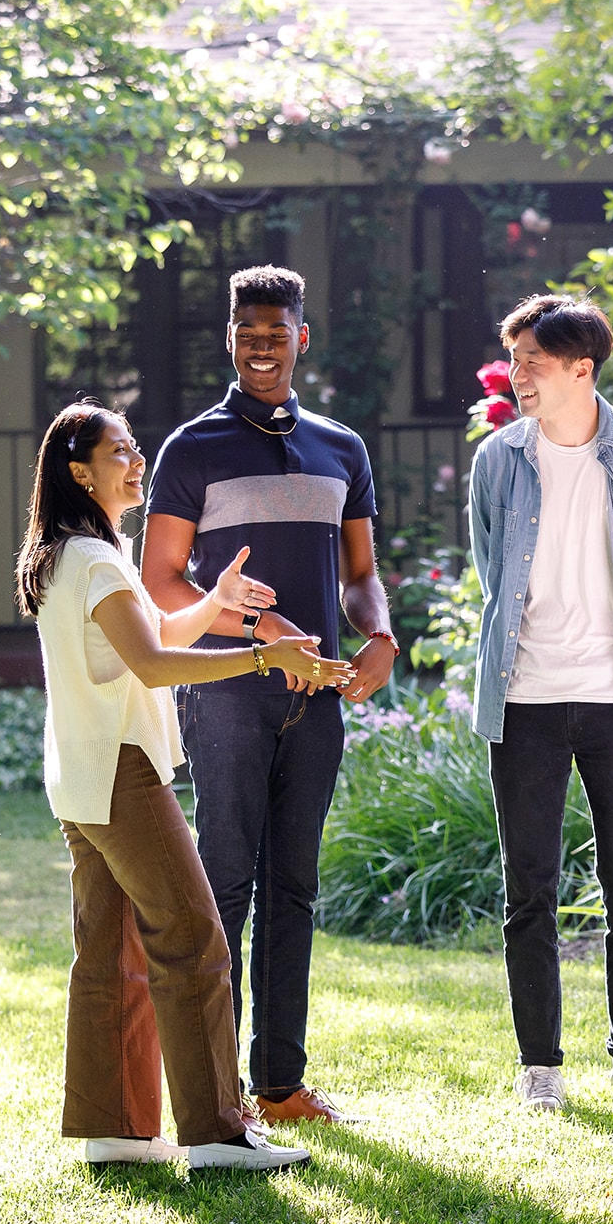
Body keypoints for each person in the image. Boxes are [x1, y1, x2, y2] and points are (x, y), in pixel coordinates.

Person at [17, 400, 354, 1171]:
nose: (136, 461)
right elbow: (156, 665)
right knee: (195, 936)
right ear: (80, 471)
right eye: (120, 451)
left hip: (80, 773)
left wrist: (215, 606)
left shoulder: (74, 552)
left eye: (136, 445)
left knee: (110, 949)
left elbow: (155, 635)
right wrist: (269, 658)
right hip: (120, 770)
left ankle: (115, 1127)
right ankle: (215, 1132)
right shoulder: (96, 560)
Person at [142, 266, 395, 1125]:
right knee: (226, 885)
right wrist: (257, 636)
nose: (261, 346)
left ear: (301, 337)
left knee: (294, 889)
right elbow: (161, 583)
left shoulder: (341, 448)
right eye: (247, 333)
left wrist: (382, 635)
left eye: (275, 332)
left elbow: (359, 576)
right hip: (227, 695)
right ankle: (216, 1096)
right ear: (230, 339)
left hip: (315, 703)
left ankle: (280, 1087)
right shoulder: (192, 448)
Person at [466, 293, 613, 1112]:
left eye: (532, 359)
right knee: (526, 890)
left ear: (581, 367)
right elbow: (491, 568)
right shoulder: (497, 460)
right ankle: (541, 1065)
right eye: (515, 359)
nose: (517, 373)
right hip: (523, 697)